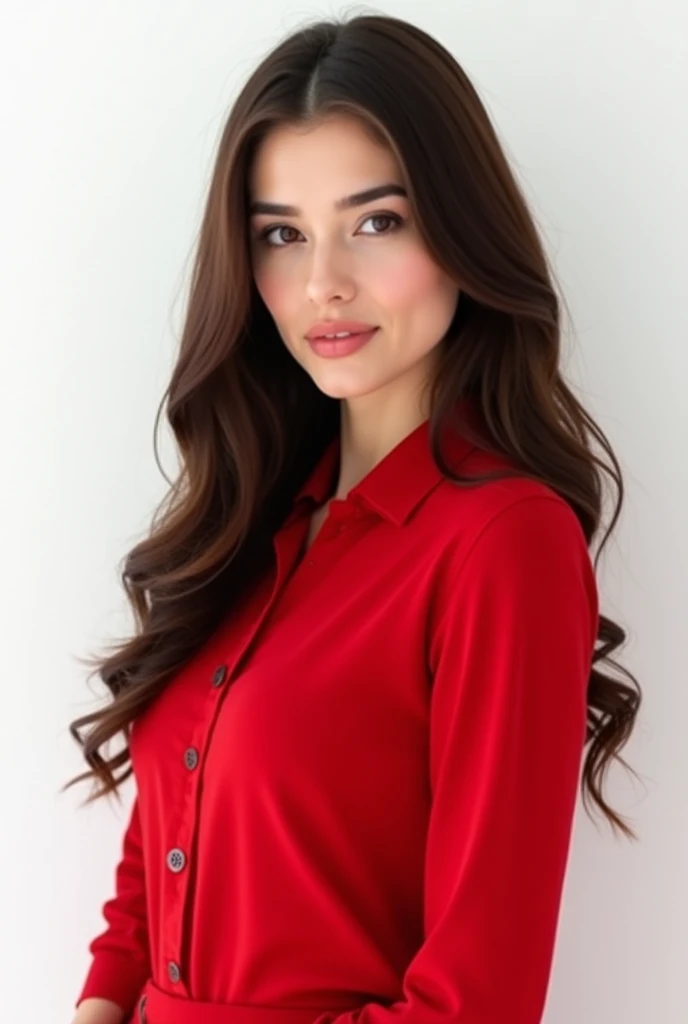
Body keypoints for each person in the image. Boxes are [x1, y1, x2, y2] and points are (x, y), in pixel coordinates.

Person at [64, 12, 642, 1024]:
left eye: (377, 221)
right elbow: (157, 869)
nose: (323, 282)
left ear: (461, 230)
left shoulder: (503, 545)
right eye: (281, 234)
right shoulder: (247, 524)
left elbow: (476, 1001)